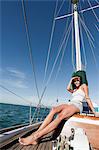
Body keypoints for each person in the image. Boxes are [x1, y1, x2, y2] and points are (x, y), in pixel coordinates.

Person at [19, 76, 96, 145]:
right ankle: (36, 133)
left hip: (77, 105)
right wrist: (71, 79)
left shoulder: (84, 86)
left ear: (81, 81)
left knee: (60, 115)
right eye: (75, 81)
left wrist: (94, 111)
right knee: (53, 110)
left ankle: (35, 136)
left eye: (77, 80)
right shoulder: (75, 89)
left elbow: (88, 98)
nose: (76, 82)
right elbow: (68, 88)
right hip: (70, 103)